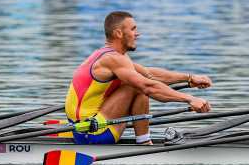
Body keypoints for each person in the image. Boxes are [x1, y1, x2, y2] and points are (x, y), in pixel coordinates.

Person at [66, 11, 212, 145]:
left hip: (84, 130)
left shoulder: (110, 56)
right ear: (118, 33)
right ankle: (144, 144)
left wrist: (190, 78)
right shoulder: (113, 59)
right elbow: (148, 86)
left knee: (140, 83)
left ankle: (143, 141)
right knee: (138, 87)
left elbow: (150, 74)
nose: (138, 33)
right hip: (93, 133)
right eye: (133, 29)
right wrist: (190, 99)